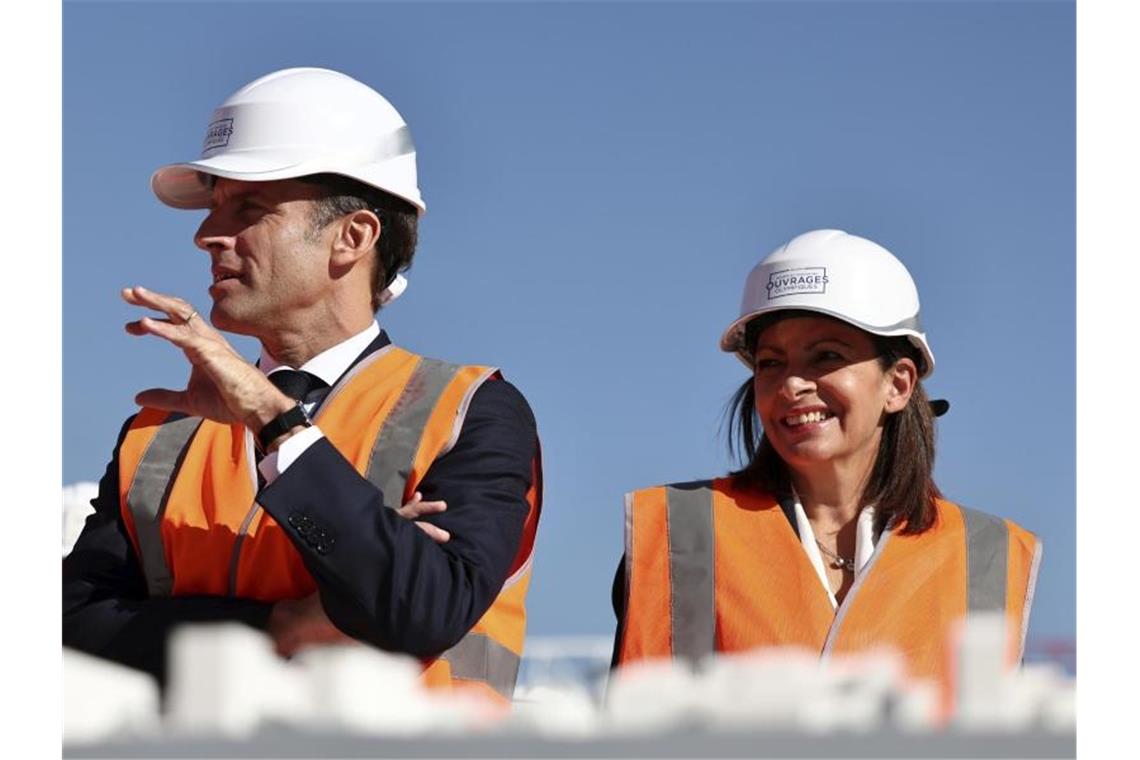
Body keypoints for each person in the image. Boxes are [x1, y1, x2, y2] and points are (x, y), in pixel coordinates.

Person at [62, 67, 542, 704]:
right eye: (214, 209)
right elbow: (69, 632)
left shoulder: (472, 410)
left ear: (353, 236)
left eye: (249, 209)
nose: (207, 235)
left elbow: (421, 608)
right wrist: (283, 629)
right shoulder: (155, 439)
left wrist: (271, 419)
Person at [610, 229, 1040, 714]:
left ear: (898, 384)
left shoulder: (987, 555)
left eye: (827, 356)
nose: (791, 384)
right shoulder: (679, 533)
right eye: (771, 362)